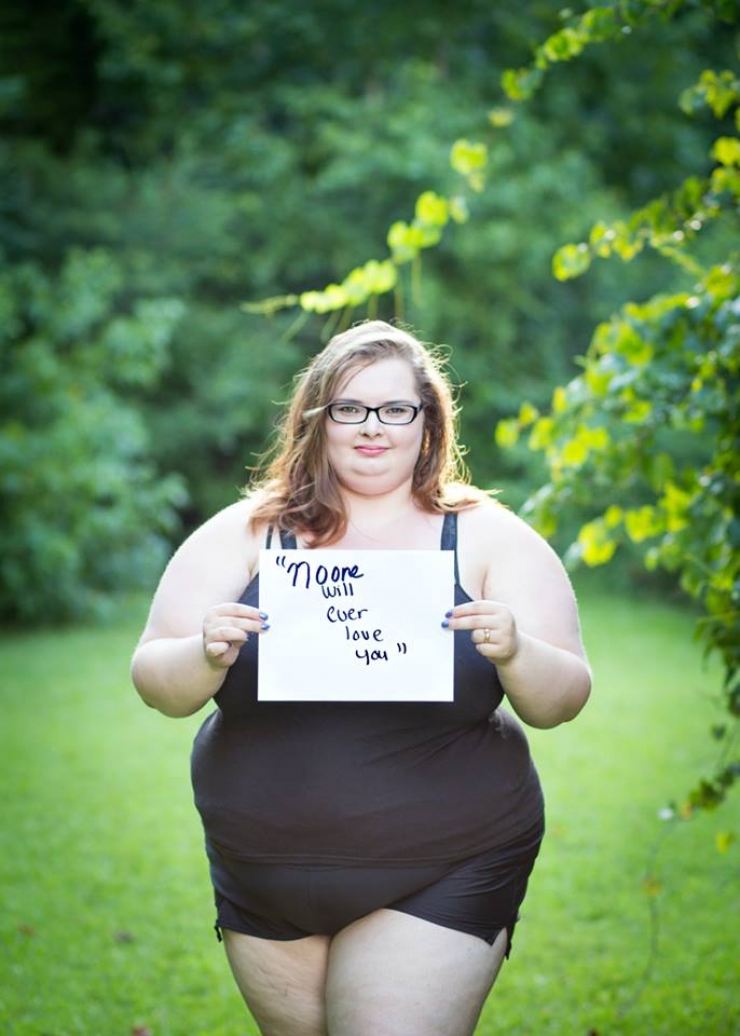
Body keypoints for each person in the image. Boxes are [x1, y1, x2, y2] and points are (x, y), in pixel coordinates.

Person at [131, 319, 591, 1036]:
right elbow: (155, 678)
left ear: (428, 422)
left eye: (395, 409)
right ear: (317, 420)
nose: (371, 428)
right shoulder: (246, 532)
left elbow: (562, 700)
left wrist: (515, 648)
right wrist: (203, 652)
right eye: (349, 408)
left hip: (444, 865)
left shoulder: (488, 535)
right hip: (263, 873)